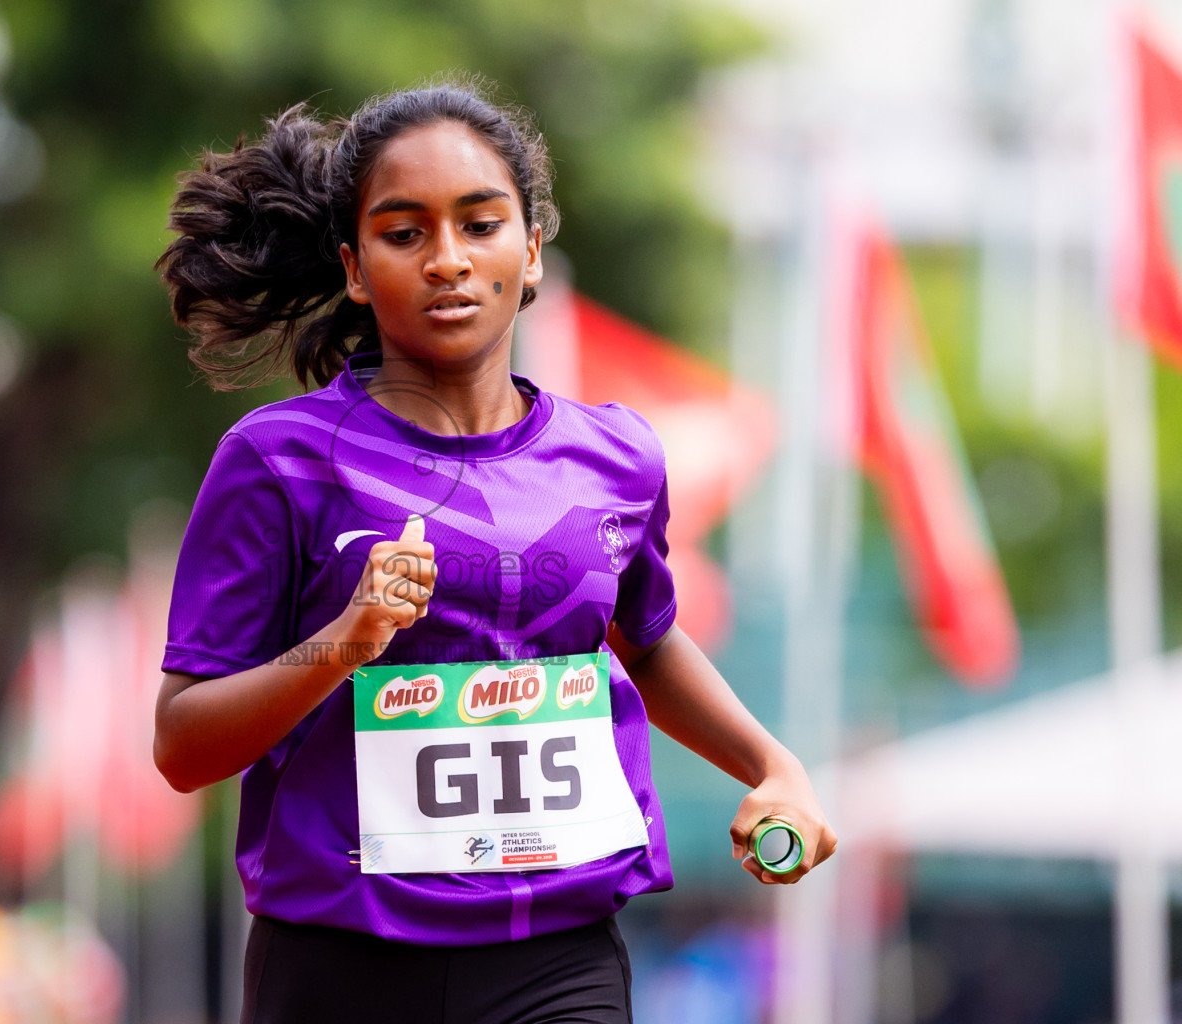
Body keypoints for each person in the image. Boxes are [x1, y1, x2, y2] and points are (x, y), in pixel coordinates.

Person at [152, 79, 837, 1024]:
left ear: (532, 250)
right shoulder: (278, 461)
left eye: (480, 225)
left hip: (554, 959)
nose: (448, 261)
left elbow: (648, 638)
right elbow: (183, 746)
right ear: (355, 268)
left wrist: (773, 766)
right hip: (345, 959)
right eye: (405, 234)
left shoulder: (616, 459)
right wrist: (343, 644)